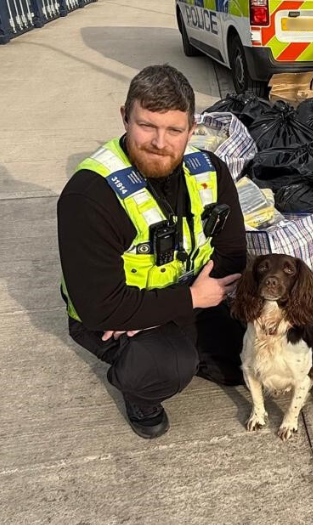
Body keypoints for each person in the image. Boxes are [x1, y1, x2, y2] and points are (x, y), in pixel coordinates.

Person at [57, 65, 247, 439]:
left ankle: (183, 339)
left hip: (183, 299)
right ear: (125, 117)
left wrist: (185, 302)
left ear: (192, 130)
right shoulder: (89, 195)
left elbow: (233, 252)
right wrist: (190, 298)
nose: (160, 142)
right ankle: (139, 391)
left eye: (174, 130)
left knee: (245, 362)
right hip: (113, 321)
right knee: (168, 364)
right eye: (147, 125)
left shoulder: (210, 170)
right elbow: (100, 307)